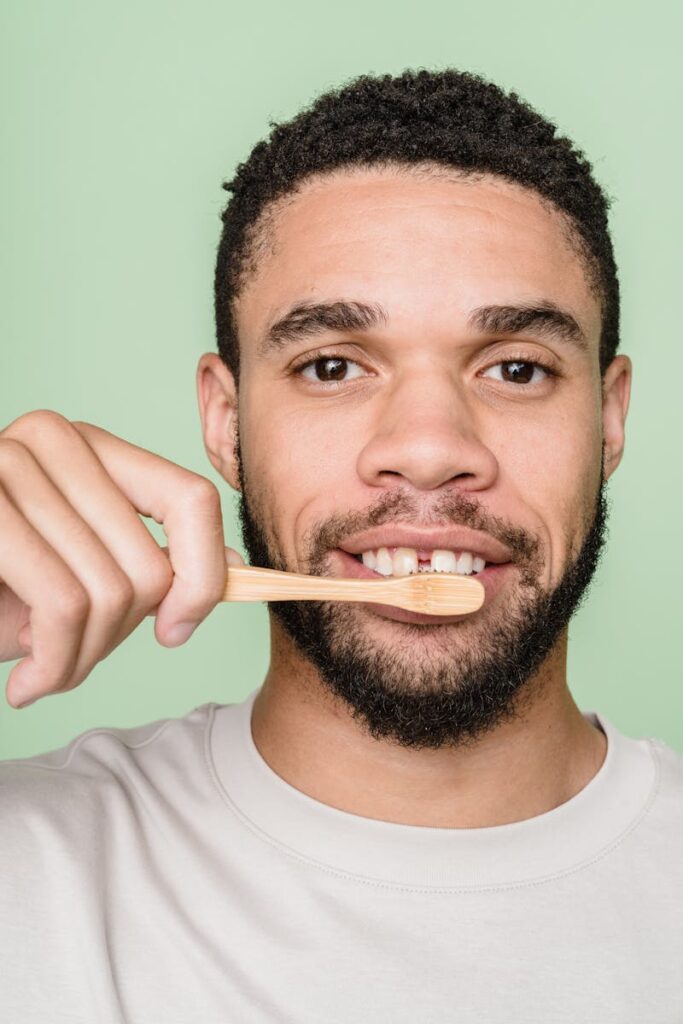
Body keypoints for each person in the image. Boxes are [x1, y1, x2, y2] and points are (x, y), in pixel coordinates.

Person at [1, 68, 681, 1023]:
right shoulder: (28, 874)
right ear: (226, 422)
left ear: (608, 421)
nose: (430, 449)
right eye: (331, 367)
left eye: (517, 368)